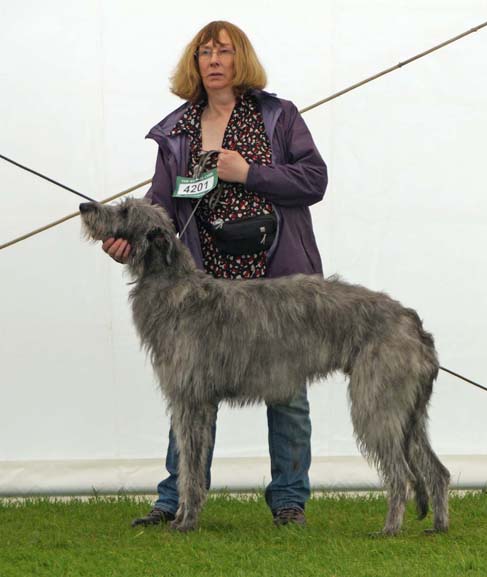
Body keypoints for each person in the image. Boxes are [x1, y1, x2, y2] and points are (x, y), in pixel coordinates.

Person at [103, 20, 328, 527]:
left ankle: (289, 501)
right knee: (189, 392)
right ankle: (175, 500)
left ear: (240, 58)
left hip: (277, 279)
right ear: (194, 63)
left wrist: (249, 172)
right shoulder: (178, 131)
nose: (213, 59)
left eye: (224, 50)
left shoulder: (278, 116)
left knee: (287, 391)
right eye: (204, 51)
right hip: (202, 285)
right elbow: (158, 209)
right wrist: (125, 242)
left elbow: (315, 180)